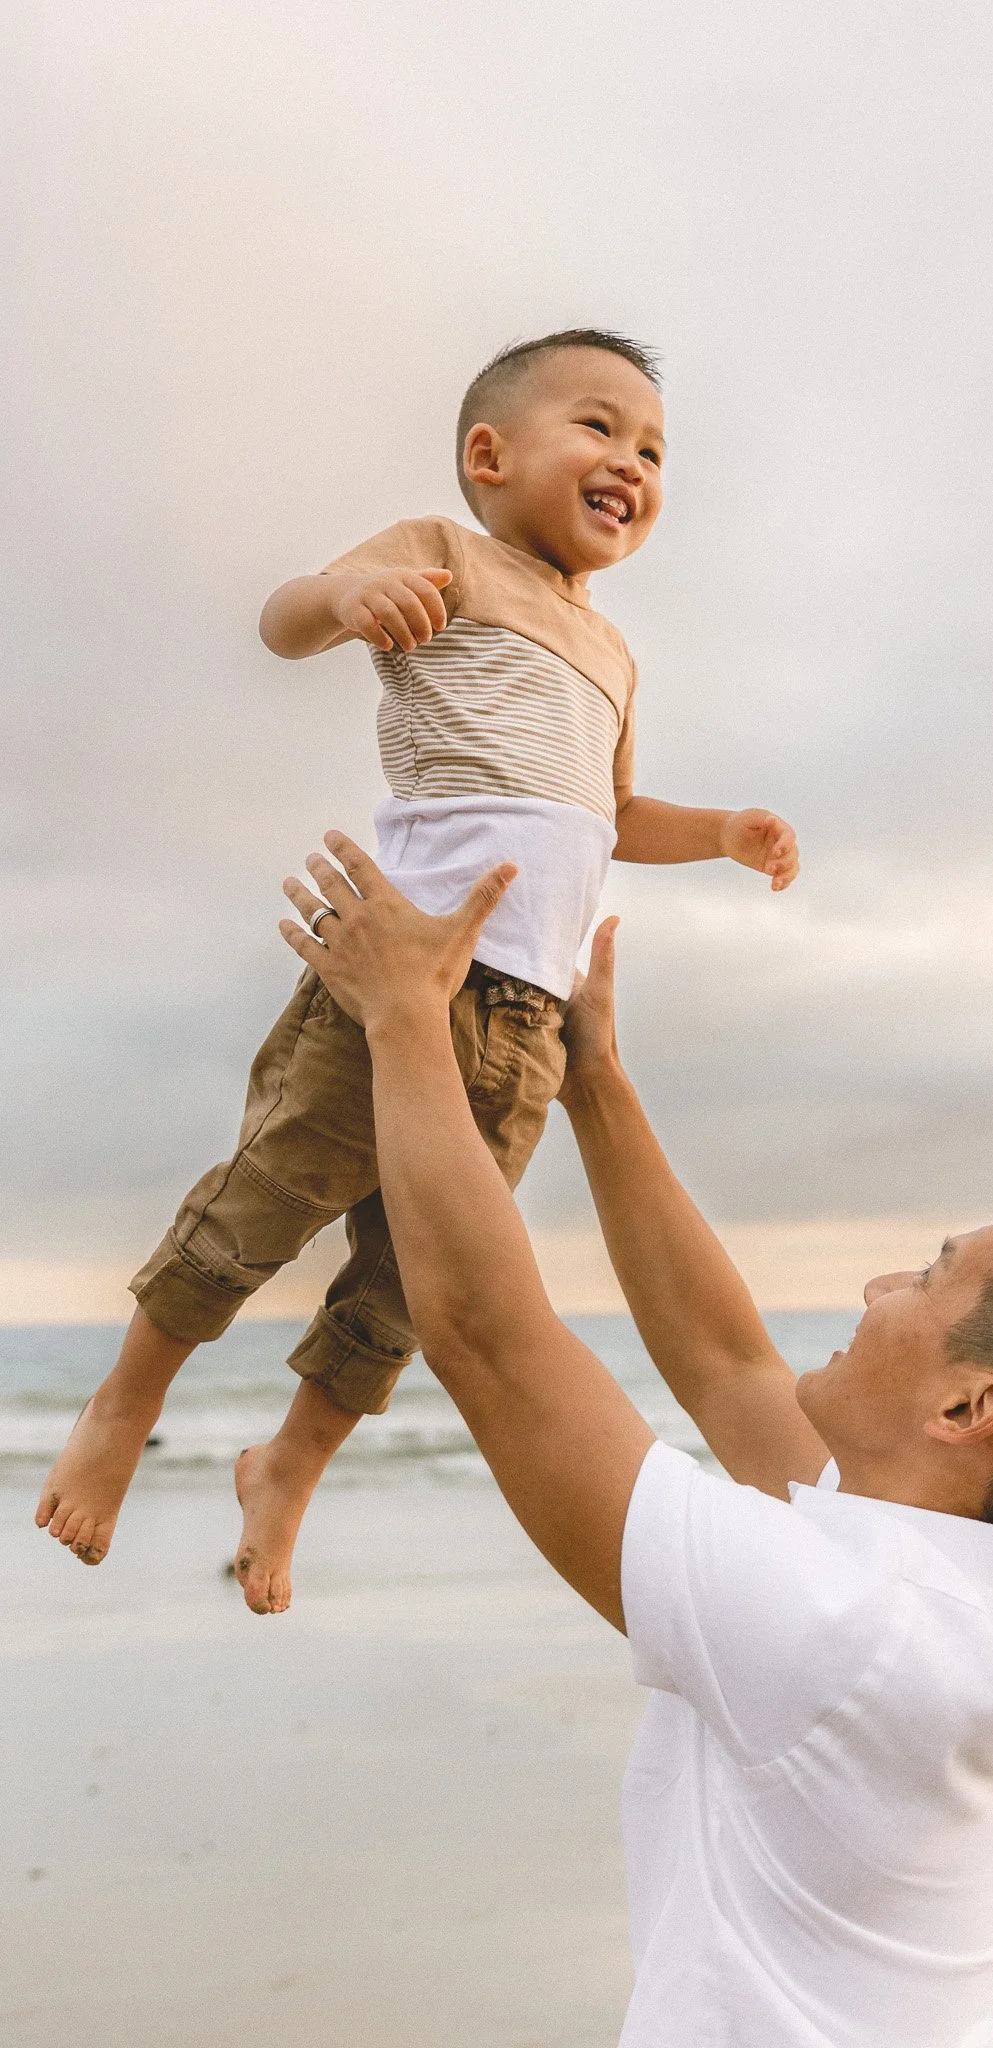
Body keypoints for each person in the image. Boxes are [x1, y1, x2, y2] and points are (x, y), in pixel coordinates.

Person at [266, 834, 993, 2048]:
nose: (879, 1285)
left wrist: (402, 1014)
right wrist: (596, 1076)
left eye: (929, 1275)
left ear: (969, 1408)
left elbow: (491, 1343)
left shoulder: (842, 1633)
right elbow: (728, 1367)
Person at [35, 329, 799, 1610]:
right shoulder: (443, 555)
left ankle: (287, 1464)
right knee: (259, 1204)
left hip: (527, 1029)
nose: (632, 462)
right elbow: (282, 620)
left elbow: (609, 814)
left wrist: (717, 833)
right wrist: (343, 601)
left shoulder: (614, 654)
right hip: (399, 980)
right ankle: (122, 1407)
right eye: (599, 427)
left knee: (414, 1288)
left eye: (654, 448)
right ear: (488, 457)